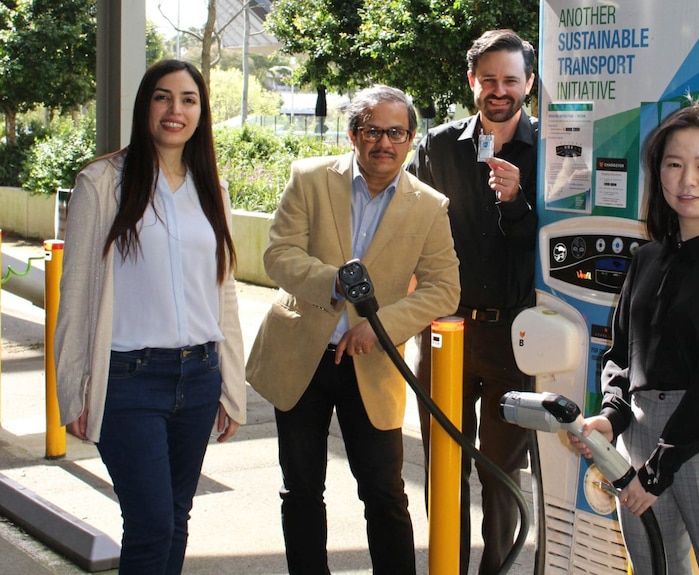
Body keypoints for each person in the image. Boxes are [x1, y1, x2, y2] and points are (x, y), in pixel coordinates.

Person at [245, 84, 460, 575]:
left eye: (396, 133)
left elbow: (443, 289)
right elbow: (278, 255)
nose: (383, 143)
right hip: (300, 354)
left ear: (410, 140)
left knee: (384, 494)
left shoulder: (429, 206)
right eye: (372, 131)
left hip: (372, 362)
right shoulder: (309, 179)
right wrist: (333, 282)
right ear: (353, 134)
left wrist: (378, 327)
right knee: (300, 489)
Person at [54, 59, 246, 575]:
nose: (175, 110)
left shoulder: (213, 188)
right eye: (163, 97)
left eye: (188, 99)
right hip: (129, 381)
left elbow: (222, 293)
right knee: (151, 524)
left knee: (177, 518)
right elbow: (74, 293)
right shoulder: (102, 183)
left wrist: (230, 383)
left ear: (201, 112)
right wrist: (72, 384)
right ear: (145, 106)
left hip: (199, 377)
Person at [570, 102, 699, 575]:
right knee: (655, 568)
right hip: (639, 436)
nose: (687, 180)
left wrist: (659, 469)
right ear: (658, 174)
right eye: (674, 165)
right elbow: (621, 352)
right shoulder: (648, 258)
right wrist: (613, 416)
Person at [405, 28, 538, 574]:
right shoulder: (437, 146)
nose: (498, 90)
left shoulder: (554, 146)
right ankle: (448, 566)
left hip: (516, 339)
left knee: (502, 474)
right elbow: (407, 228)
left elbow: (552, 245)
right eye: (488, 79)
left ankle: (496, 570)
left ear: (529, 83)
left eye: (510, 79)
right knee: (444, 464)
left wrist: (516, 201)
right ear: (472, 82)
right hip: (445, 332)